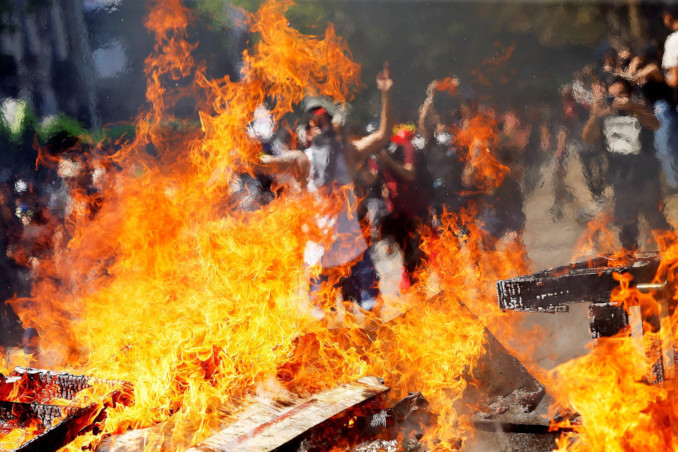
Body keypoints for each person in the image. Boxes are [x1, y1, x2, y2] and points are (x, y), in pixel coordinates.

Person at [257, 64, 393, 310]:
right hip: (319, 257)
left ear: (333, 126)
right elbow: (265, 163)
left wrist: (385, 94)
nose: (320, 126)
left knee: (370, 310)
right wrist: (239, 143)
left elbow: (383, 135)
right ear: (308, 133)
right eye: (314, 123)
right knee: (325, 327)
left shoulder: (348, 154)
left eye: (324, 121)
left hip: (352, 252)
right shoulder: (302, 160)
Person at [582, 76, 672, 251]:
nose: (617, 99)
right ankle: (629, 262)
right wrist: (594, 114)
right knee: (626, 224)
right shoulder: (604, 115)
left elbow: (655, 124)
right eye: (612, 95)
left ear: (631, 95)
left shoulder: (640, 108)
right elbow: (587, 138)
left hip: (646, 177)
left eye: (621, 94)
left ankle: (671, 255)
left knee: (655, 218)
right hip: (621, 179)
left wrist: (634, 109)